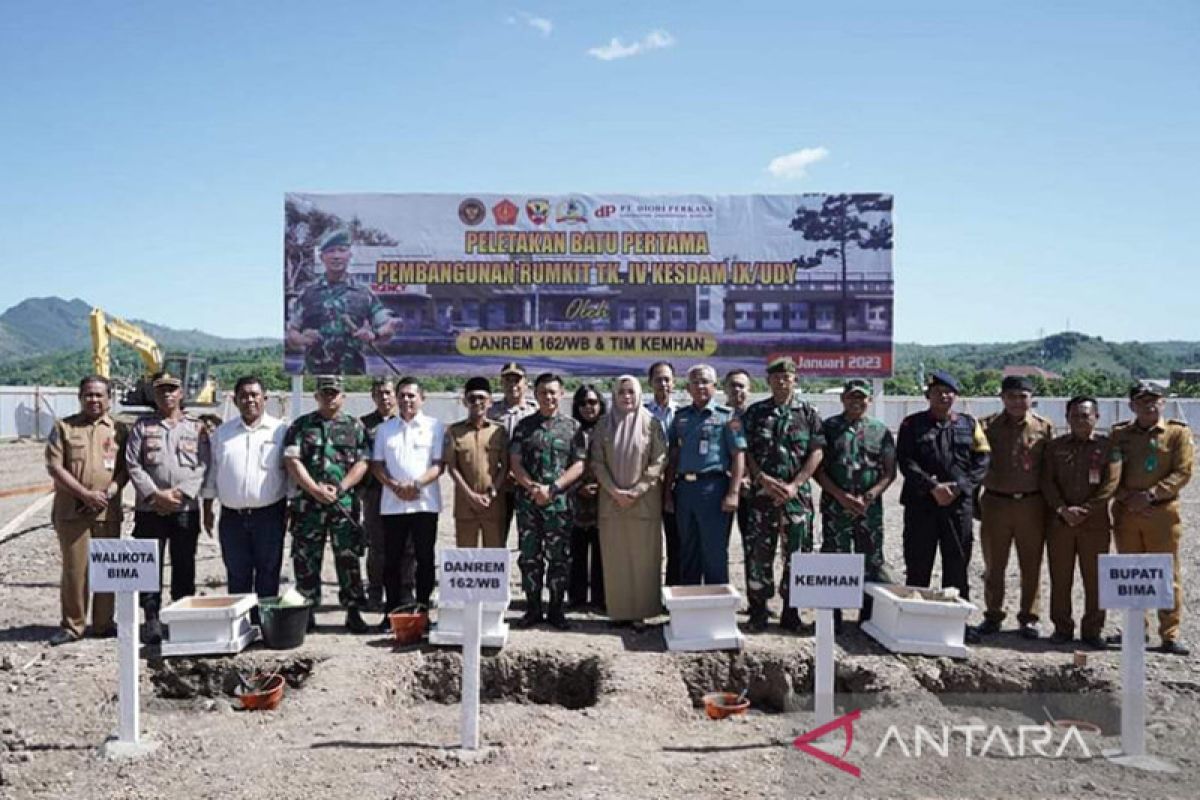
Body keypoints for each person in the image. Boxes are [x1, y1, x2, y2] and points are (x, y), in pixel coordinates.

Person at [896, 371, 990, 642]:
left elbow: (982, 461)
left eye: (949, 392)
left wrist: (958, 488)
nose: (944, 396)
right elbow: (906, 461)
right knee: (918, 563)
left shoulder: (970, 425)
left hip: (958, 507)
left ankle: (957, 624)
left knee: (957, 564)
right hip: (921, 505)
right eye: (938, 392)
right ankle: (914, 621)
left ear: (956, 396)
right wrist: (933, 487)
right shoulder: (911, 425)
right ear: (928, 396)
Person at [125, 372, 210, 644]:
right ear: (154, 394)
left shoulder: (196, 427)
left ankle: (182, 614)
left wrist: (181, 493)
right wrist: (155, 495)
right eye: (161, 390)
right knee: (150, 564)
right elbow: (133, 464)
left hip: (185, 508)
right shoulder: (142, 426)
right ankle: (152, 618)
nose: (167, 395)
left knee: (184, 562)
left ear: (181, 393)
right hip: (151, 510)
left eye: (172, 389)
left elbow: (204, 464)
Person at [1109, 381, 1194, 655]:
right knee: (1132, 572)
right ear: (1132, 405)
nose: (1150, 404)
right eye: (1143, 400)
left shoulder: (1177, 433)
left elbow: (1183, 471)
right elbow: (1111, 471)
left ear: (1163, 402)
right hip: (1127, 512)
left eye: (1155, 399)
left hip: (1162, 513)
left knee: (1166, 573)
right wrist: (1126, 497)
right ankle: (1137, 630)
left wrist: (1151, 495)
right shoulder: (1119, 434)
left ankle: (1169, 633)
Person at [283, 375, 371, 633]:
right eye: (325, 393)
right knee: (306, 558)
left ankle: (353, 610)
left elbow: (363, 462)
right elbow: (292, 461)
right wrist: (314, 489)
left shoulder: (355, 427)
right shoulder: (301, 426)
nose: (330, 397)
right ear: (317, 396)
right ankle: (307, 610)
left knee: (348, 558)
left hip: (343, 505)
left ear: (343, 397)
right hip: (308, 506)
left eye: (335, 393)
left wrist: (341, 487)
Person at [741, 358, 823, 632]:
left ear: (794, 379)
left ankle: (792, 612)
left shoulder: (809, 413)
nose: (781, 381)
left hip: (795, 498)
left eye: (786, 377)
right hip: (762, 495)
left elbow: (817, 452)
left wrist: (795, 485)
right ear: (769, 381)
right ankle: (758, 611)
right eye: (776, 377)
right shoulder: (755, 413)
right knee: (758, 555)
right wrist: (761, 477)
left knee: (798, 556)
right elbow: (746, 449)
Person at [45, 375, 127, 645]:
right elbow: (55, 467)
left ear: (109, 398)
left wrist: (112, 490)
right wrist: (85, 494)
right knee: (74, 571)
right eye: (88, 395)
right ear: (80, 397)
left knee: (107, 570)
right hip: (73, 512)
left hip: (107, 512)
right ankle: (73, 625)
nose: (93, 399)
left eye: (99, 395)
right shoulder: (64, 427)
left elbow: (126, 469)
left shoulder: (119, 429)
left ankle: (103, 624)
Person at [976, 376, 1055, 639]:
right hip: (996, 502)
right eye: (1011, 396)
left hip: (1031, 504)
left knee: (1030, 564)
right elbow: (975, 465)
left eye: (1022, 396)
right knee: (994, 565)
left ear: (1031, 399)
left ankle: (1029, 618)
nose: (1017, 402)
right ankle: (993, 614)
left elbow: (1050, 470)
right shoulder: (986, 427)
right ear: (1002, 399)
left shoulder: (1045, 428)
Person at [816, 378, 896, 629]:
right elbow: (819, 470)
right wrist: (840, 496)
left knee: (871, 560)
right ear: (842, 399)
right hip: (835, 506)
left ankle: (869, 617)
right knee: (835, 560)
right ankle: (834, 617)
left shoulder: (880, 431)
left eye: (861, 397)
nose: (856, 402)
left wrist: (870, 496)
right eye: (852, 397)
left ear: (869, 401)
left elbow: (889, 471)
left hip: (868, 509)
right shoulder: (828, 428)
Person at [201, 376, 288, 607]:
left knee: (268, 573)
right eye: (244, 396)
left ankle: (267, 626)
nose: (249, 400)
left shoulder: (280, 431)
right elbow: (212, 473)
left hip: (269, 515)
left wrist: (294, 508)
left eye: (254, 395)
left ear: (264, 398)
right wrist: (207, 508)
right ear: (235, 400)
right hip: (232, 517)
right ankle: (241, 627)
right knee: (237, 574)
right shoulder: (223, 434)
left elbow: (290, 474)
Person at [1040, 396, 1119, 649]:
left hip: (1094, 524)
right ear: (1067, 418)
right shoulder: (1054, 447)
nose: (1080, 420)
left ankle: (1092, 630)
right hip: (1060, 523)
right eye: (1074, 415)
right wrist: (1063, 509)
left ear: (1096, 417)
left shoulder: (1109, 447)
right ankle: (1062, 628)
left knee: (1095, 579)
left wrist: (1085, 510)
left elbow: (1111, 484)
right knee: (1060, 578)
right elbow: (1047, 482)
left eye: (1085, 415)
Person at [590, 375, 668, 629]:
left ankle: (642, 611)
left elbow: (659, 460)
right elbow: (597, 462)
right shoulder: (603, 425)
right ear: (614, 395)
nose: (626, 396)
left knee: (643, 558)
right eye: (622, 392)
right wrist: (614, 491)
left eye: (631, 392)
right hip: (612, 503)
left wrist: (638, 490)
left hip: (643, 504)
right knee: (616, 558)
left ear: (638, 395)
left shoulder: (651, 423)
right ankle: (619, 611)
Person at [509, 373, 585, 629]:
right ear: (535, 395)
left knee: (559, 558)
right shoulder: (524, 426)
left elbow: (578, 464)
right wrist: (533, 488)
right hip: (529, 503)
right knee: (530, 557)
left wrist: (553, 488)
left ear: (561, 394)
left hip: (559, 504)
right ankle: (532, 608)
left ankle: (555, 609)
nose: (548, 397)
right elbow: (515, 462)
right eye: (543, 392)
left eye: (553, 392)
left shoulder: (572, 427)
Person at [665, 364, 746, 587]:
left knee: (714, 552)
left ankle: (716, 610)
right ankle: (690, 610)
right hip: (684, 490)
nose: (700, 386)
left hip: (713, 489)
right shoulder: (680, 417)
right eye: (695, 382)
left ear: (715, 386)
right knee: (688, 550)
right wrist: (668, 494)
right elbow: (673, 457)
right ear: (688, 387)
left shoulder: (727, 417)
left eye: (705, 381)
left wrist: (733, 493)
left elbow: (738, 455)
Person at [371, 377, 445, 618]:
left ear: (422, 399)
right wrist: (394, 486)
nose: (406, 400)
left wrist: (415, 485)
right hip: (393, 504)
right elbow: (377, 466)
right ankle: (391, 611)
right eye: (401, 395)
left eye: (411, 395)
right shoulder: (385, 430)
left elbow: (438, 466)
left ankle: (422, 610)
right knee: (391, 560)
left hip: (425, 503)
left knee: (424, 559)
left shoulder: (435, 427)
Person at [285, 228, 398, 374]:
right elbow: (292, 333)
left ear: (349, 255)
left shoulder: (364, 294)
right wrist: (302, 340)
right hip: (314, 373)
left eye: (341, 250)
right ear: (322, 257)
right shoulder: (308, 294)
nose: (336, 256)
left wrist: (373, 335)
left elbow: (388, 326)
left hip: (353, 373)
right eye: (330, 251)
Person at [359, 378, 412, 611]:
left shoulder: (407, 421)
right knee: (377, 545)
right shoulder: (363, 425)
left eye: (389, 393)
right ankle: (375, 591)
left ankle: (406, 589)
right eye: (380, 393)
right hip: (375, 493)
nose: (385, 398)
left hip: (404, 492)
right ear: (373, 397)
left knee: (407, 544)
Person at [444, 377, 509, 547]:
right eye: (472, 398)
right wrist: (470, 495)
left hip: (493, 504)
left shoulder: (499, 431)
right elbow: (452, 467)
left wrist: (494, 490)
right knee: (466, 558)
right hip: (465, 505)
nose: (477, 402)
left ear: (490, 402)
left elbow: (505, 466)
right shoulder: (454, 431)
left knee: (494, 558)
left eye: (482, 398)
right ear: (465, 402)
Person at [487, 362, 537, 546]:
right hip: (501, 484)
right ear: (501, 383)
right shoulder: (491, 413)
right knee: (497, 537)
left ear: (526, 383)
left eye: (517, 380)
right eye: (508, 380)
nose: (512, 384)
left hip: (529, 483)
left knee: (529, 539)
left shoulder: (535, 410)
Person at [568, 385, 606, 611]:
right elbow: (562, 464)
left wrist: (603, 486)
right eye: (583, 403)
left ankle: (601, 598)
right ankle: (576, 598)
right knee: (576, 551)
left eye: (592, 402)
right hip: (576, 499)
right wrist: (578, 487)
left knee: (602, 551)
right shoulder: (570, 430)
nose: (588, 407)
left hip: (604, 498)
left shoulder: (609, 429)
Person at [646, 361, 681, 586]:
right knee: (647, 543)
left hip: (676, 486)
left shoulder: (682, 414)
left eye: (667, 379)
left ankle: (672, 593)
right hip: (647, 485)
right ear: (650, 383)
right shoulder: (641, 414)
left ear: (674, 383)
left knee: (675, 542)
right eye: (658, 379)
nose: (663, 384)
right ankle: (647, 593)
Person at [723, 369, 753, 549]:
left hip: (750, 489)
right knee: (718, 543)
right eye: (732, 385)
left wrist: (748, 477)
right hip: (722, 486)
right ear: (724, 388)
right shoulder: (717, 416)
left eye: (741, 386)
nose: (737, 390)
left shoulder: (757, 417)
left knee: (752, 544)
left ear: (749, 389)